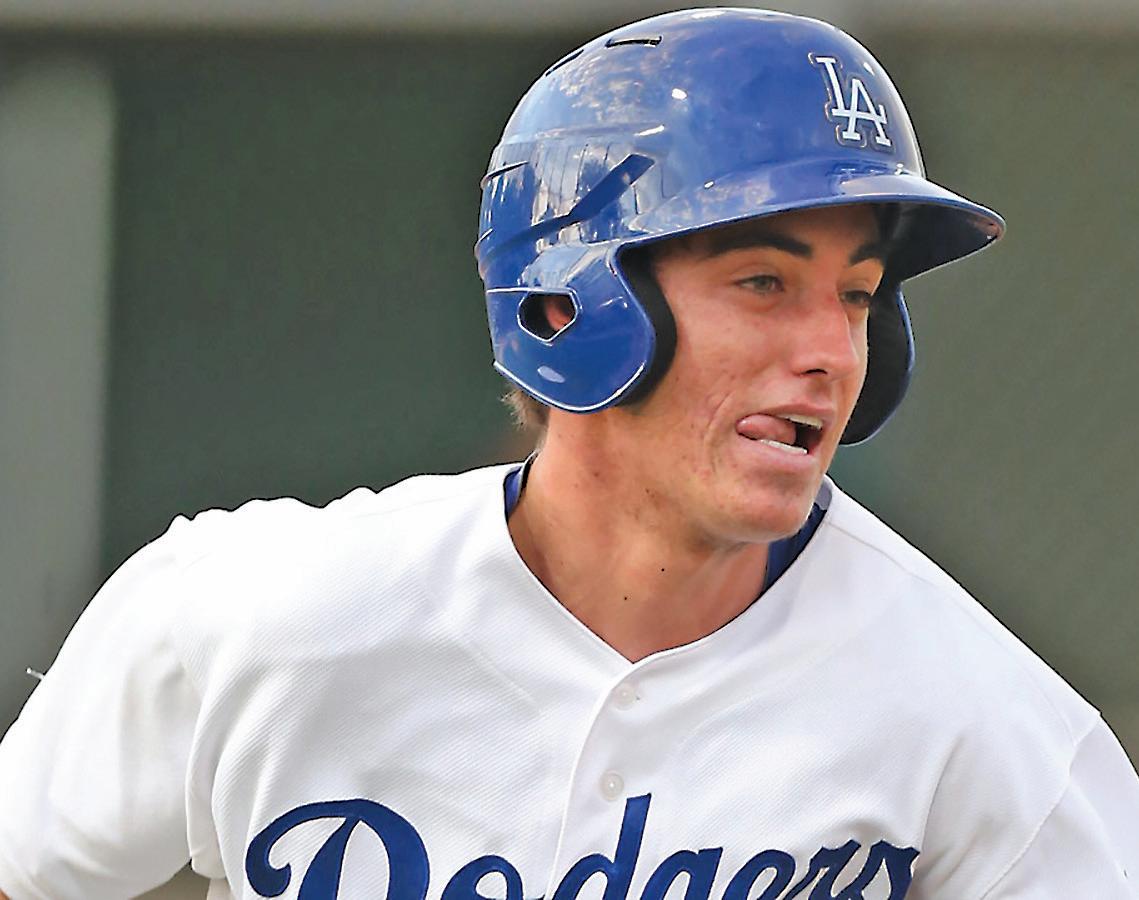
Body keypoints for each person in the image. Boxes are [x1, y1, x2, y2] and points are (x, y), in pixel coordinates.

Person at [1, 8, 1136, 900]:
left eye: (855, 296)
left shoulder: (990, 730)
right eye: (762, 282)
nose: (830, 354)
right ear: (563, 303)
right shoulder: (255, 618)